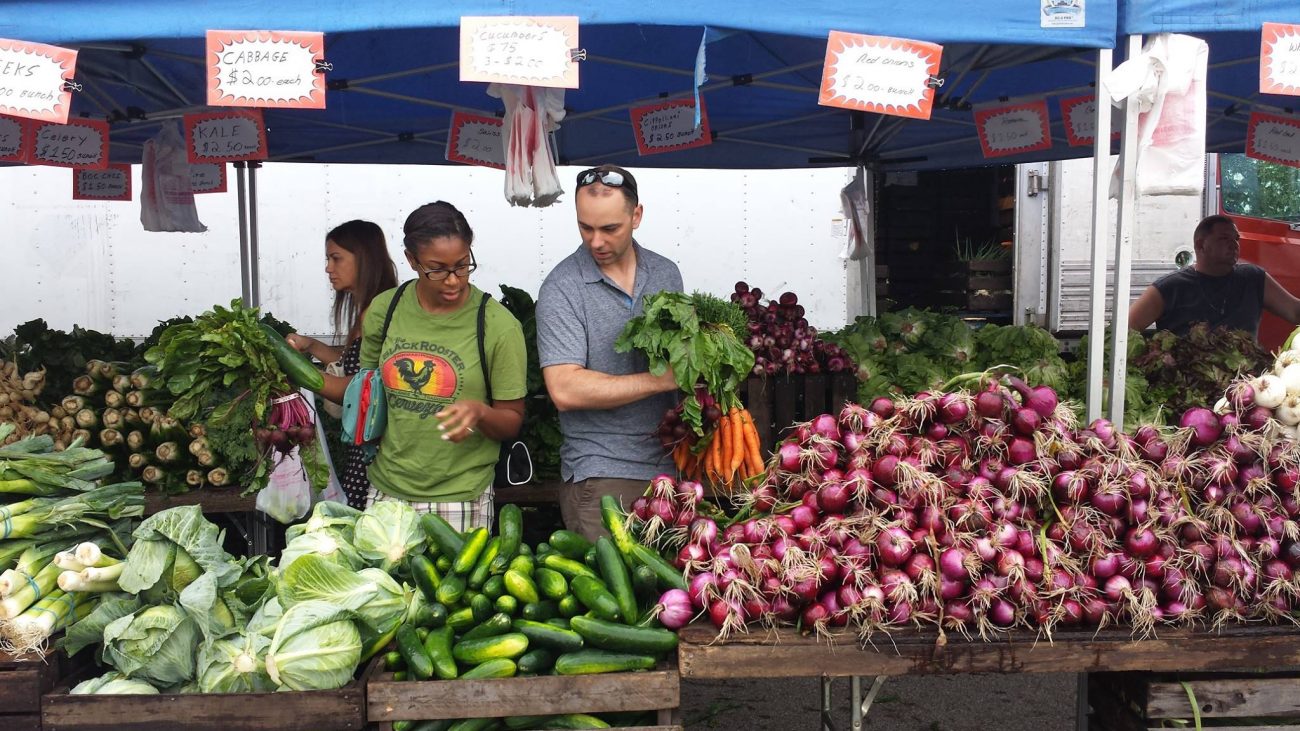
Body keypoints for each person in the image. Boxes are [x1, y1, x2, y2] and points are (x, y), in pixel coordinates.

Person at [356, 201, 527, 530]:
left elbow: (512, 420)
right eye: (437, 269)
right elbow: (365, 389)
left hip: (461, 496)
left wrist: (480, 412)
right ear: (411, 260)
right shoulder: (385, 310)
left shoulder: (497, 325)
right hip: (387, 489)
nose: (453, 281)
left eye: (462, 266)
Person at [536, 165, 682, 541]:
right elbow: (565, 389)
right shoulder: (562, 287)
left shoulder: (666, 273)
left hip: (670, 471)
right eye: (585, 227)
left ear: (637, 216)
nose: (596, 241)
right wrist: (661, 380)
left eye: (609, 228)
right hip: (601, 476)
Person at [285, 220, 397, 509]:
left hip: (376, 450)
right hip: (367, 444)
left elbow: (361, 387)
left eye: (336, 258)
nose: (328, 268)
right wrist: (312, 345)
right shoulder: (368, 308)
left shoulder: (377, 312)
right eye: (328, 259)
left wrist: (297, 371)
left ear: (364, 259)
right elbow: (355, 366)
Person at [1129, 214, 1300, 339]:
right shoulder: (1169, 288)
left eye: (1236, 239)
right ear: (1200, 245)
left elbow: (1294, 311)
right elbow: (1124, 331)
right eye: (1224, 238)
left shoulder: (1253, 278)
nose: (1234, 244)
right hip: (1186, 378)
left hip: (1248, 378)